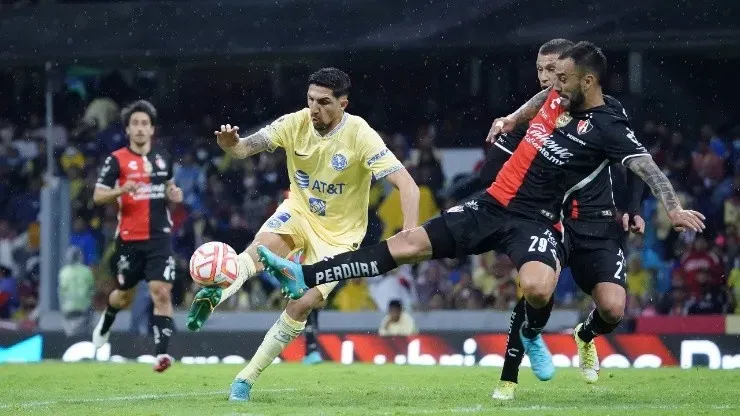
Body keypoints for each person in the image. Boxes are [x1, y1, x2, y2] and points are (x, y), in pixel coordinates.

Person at [257, 41, 705, 397]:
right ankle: (305, 273)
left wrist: (671, 207)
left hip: (537, 219)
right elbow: (538, 100)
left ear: (586, 81)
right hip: (493, 202)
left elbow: (643, 164)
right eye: (548, 76)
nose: (552, 84)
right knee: (406, 246)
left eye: (560, 77)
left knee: (537, 287)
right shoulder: (557, 99)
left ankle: (534, 332)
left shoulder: (607, 125)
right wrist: (511, 118)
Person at [187, 68, 419, 401]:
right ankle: (215, 296)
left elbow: (408, 186)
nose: (314, 109)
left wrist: (409, 234)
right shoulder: (294, 123)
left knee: (303, 303)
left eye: (324, 102)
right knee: (257, 252)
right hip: (299, 212)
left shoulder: (360, 135)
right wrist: (231, 145)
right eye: (310, 100)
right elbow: (244, 148)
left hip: (339, 238)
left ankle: (246, 377)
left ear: (342, 104)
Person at [479, 38, 648, 400]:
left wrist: (634, 206)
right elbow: (492, 171)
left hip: (597, 221)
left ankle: (584, 335)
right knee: (536, 290)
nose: (545, 77)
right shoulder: (534, 119)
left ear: (574, 73)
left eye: (553, 70)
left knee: (613, 309)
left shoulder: (607, 113)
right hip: (550, 220)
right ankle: (507, 380)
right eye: (540, 70)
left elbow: (635, 161)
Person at [91, 100, 184, 373]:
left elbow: (170, 188)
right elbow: (98, 195)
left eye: (145, 123)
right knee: (124, 298)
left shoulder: (163, 158)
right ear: (128, 129)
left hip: (159, 237)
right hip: (129, 239)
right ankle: (107, 321)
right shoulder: (116, 160)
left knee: (161, 291)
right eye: (135, 124)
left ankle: (161, 355)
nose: (140, 128)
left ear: (152, 129)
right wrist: (120, 190)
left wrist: (174, 195)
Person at [58, 246, 95, 336]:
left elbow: (61, 292)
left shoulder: (63, 272)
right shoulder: (86, 271)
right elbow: (92, 290)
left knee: (71, 335)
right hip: (84, 310)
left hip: (68, 311)